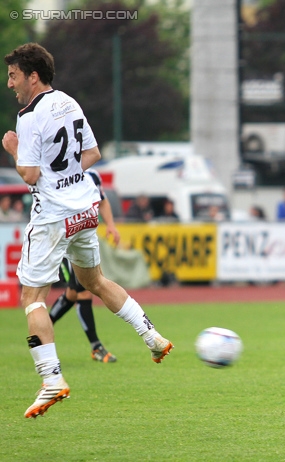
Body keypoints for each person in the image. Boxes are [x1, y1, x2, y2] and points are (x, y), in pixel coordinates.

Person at [2, 43, 174, 419]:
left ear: (33, 76)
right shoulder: (69, 102)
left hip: (52, 217)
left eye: (14, 75)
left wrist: (13, 148)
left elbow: (29, 175)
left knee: (32, 298)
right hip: (84, 209)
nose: (10, 83)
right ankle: (152, 336)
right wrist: (65, 175)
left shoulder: (28, 116)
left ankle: (51, 380)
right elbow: (92, 154)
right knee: (94, 280)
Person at [49, 169, 121, 363]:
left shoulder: (93, 175)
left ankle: (42, 329)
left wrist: (111, 225)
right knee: (83, 292)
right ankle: (96, 347)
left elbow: (103, 200)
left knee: (73, 294)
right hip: (64, 244)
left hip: (83, 244)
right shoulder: (61, 174)